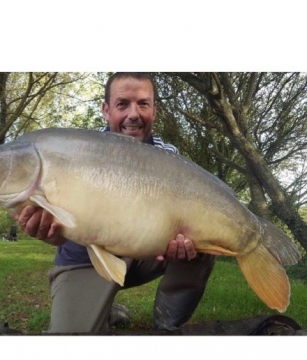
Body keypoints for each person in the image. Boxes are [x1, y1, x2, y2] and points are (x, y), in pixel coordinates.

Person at [15, 72, 215, 333]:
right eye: (123, 104)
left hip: (145, 253)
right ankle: (104, 307)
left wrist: (182, 241)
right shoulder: (77, 151)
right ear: (106, 110)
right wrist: (49, 234)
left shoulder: (168, 157)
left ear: (154, 110)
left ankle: (168, 324)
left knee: (207, 236)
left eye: (143, 104)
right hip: (85, 257)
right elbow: (57, 232)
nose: (134, 114)